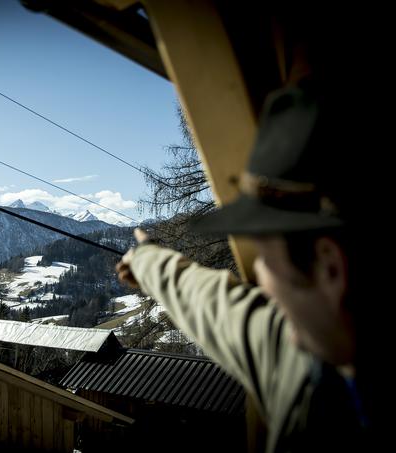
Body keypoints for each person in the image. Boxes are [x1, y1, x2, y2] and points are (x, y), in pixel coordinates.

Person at [116, 80, 380, 452]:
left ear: (329, 268)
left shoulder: (298, 364)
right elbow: (210, 302)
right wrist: (148, 260)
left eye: (266, 260)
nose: (261, 284)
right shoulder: (307, 348)